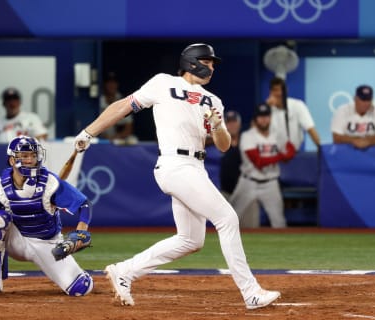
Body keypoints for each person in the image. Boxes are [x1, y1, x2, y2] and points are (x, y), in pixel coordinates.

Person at [74, 43, 281, 309]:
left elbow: (224, 145)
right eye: (208, 62)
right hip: (174, 163)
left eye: (213, 63)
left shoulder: (213, 100)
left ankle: (124, 270)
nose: (212, 67)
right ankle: (251, 292)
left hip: (196, 167)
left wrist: (218, 125)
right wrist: (88, 133)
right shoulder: (163, 83)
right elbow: (124, 106)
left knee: (191, 240)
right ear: (192, 61)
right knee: (228, 218)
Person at [0, 135, 93, 297]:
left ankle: (79, 276)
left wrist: (81, 229)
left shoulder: (49, 182)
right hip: (18, 241)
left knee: (81, 288)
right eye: (25, 156)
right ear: (12, 160)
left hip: (49, 244)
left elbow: (84, 204)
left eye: (33, 156)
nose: (30, 160)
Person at [228, 103, 295, 228]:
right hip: (248, 182)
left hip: (271, 183)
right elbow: (259, 162)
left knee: (279, 222)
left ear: (270, 117)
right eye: (260, 116)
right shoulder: (248, 136)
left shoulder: (278, 134)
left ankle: (282, 247)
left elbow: (290, 152)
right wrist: (281, 156)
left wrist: (286, 152)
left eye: (266, 116)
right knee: (230, 216)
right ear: (255, 118)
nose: (263, 119)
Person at [219, 110, 260, 228]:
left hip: (246, 192)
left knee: (250, 228)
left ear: (240, 123)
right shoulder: (218, 142)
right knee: (227, 229)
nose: (232, 125)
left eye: (234, 122)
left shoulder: (248, 140)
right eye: (229, 122)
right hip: (226, 193)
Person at [266, 77, 320, 150]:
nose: (280, 93)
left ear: (287, 90)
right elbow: (255, 132)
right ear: (271, 92)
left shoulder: (297, 105)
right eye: (276, 90)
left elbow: (310, 129)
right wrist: (266, 109)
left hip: (294, 154)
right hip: (271, 155)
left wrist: (321, 149)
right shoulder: (266, 109)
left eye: (282, 90)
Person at [331, 85, 375, 149]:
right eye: (363, 99)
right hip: (346, 152)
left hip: (372, 154)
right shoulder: (342, 110)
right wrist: (354, 140)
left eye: (368, 100)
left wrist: (368, 141)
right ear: (355, 99)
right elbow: (336, 137)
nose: (366, 103)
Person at [99, 72, 138, 145]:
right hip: (101, 139)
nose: (111, 85)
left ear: (117, 84)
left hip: (117, 139)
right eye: (109, 83)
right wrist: (106, 138)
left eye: (114, 82)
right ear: (104, 84)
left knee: (133, 140)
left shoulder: (123, 100)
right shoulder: (98, 101)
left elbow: (129, 127)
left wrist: (117, 137)